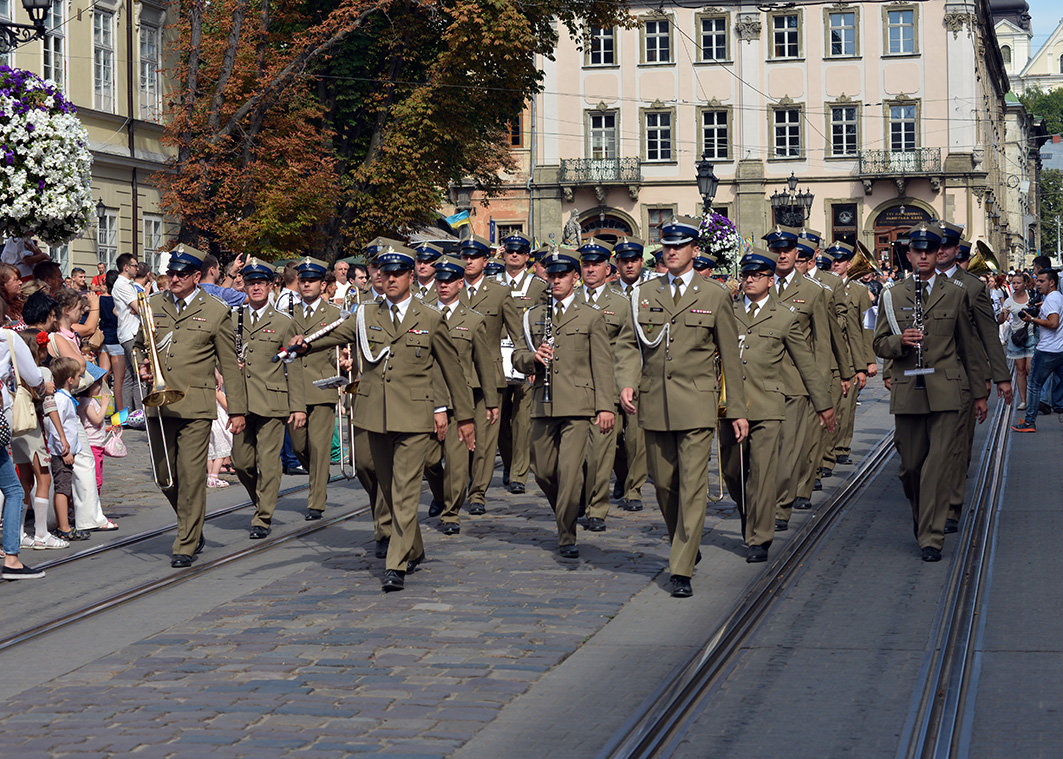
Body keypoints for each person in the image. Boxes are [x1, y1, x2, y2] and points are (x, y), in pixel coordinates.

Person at [298, 245, 476, 592]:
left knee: (405, 488)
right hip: (374, 415)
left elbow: (452, 370)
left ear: (411, 277)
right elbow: (335, 334)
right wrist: (304, 344)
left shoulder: (429, 317)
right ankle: (415, 545)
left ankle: (396, 563)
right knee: (380, 481)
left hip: (414, 416)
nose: (389, 278)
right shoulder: (366, 314)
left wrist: (464, 417)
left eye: (397, 273)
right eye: (384, 272)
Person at [624, 215, 748, 598]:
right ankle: (685, 543)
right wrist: (626, 381)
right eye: (667, 246)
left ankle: (680, 565)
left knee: (693, 485)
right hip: (654, 402)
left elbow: (730, 355)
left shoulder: (714, 295)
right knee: (664, 484)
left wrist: (737, 409)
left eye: (680, 246)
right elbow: (629, 345)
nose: (672, 252)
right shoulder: (644, 293)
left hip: (696, 403)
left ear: (695, 251)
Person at [874, 223, 988, 561]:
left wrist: (980, 391)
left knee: (937, 466)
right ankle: (922, 518)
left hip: (947, 389)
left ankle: (931, 537)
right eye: (917, 250)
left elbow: (969, 346)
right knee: (910, 468)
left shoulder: (955, 292)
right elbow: (879, 342)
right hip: (909, 389)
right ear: (908, 255)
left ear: (938, 253)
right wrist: (899, 341)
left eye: (930, 250)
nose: (924, 255)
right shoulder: (892, 295)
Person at [136, 245, 247, 567]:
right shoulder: (152, 304)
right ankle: (191, 522)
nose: (173, 278)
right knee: (165, 476)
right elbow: (140, 345)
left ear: (196, 276)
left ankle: (186, 539)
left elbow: (229, 362)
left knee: (191, 474)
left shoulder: (215, 309)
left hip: (197, 404)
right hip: (160, 404)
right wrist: (142, 364)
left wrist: (237, 409)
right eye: (170, 273)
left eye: (180, 274)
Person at [722, 248, 834, 563]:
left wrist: (823, 404)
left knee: (761, 473)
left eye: (756, 275)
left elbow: (806, 363)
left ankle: (759, 536)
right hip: (730, 405)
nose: (749, 280)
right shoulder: (727, 312)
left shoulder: (784, 316)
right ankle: (750, 514)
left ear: (770, 280)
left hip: (767, 405)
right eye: (745, 275)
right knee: (733, 472)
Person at [513, 249, 616, 557]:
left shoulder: (590, 315)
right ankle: (570, 504)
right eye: (551, 275)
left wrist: (605, 406)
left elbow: (602, 363)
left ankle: (566, 534)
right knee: (543, 471)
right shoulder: (532, 315)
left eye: (562, 275)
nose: (555, 280)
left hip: (578, 405)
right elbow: (517, 356)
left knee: (570, 471)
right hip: (543, 404)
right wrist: (532, 359)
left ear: (574, 277)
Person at [230, 257, 306, 538]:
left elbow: (294, 365)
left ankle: (263, 517)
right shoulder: (234, 317)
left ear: (271, 287)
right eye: (251, 283)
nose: (256, 288)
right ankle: (261, 500)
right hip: (241, 401)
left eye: (261, 283)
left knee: (269, 461)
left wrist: (298, 406)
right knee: (241, 461)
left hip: (273, 401)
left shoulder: (283, 322)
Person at [761, 225, 832, 527]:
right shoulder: (755, 285)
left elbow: (822, 345)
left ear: (796, 253)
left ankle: (780, 508)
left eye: (787, 250)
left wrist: (821, 394)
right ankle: (760, 503)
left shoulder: (812, 292)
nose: (781, 255)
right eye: (776, 250)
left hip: (794, 384)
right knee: (761, 455)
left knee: (787, 453)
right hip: (759, 382)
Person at [424, 254, 498, 535]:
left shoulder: (474, 320)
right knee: (429, 460)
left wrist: (491, 401)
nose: (442, 286)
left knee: (456, 462)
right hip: (428, 397)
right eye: (438, 281)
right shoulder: (423, 314)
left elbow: (484, 362)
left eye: (448, 281)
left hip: (460, 399)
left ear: (460, 283)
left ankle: (451, 513)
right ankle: (442, 494)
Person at [575, 237, 639, 531]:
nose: (590, 269)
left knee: (602, 453)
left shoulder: (621, 304)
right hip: (573, 389)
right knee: (572, 456)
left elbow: (629, 349)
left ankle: (596, 508)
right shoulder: (568, 300)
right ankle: (577, 496)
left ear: (607, 268)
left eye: (596, 264)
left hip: (607, 388)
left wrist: (628, 383)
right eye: (585, 264)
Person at [459, 234, 521, 514]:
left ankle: (477, 493)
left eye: (474, 257)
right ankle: (455, 489)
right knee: (456, 440)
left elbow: (518, 333)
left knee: (484, 441)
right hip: (456, 375)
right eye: (465, 256)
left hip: (490, 377)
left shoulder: (499, 293)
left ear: (485, 261)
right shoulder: (449, 289)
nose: (469, 261)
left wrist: (526, 363)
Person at [286, 256, 342, 519]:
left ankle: (316, 500)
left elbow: (337, 349)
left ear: (323, 284)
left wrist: (342, 362)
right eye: (303, 280)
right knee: (299, 446)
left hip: (322, 386)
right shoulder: (287, 314)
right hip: (294, 389)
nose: (306, 284)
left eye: (312, 281)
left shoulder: (334, 314)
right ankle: (319, 474)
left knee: (319, 447)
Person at [1, 304, 49, 579]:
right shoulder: (8, 338)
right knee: (15, 490)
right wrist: (42, 388)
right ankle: (12, 559)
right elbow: (33, 376)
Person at [496, 232, 546, 495]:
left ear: (527, 257)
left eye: (520, 251)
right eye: (510, 250)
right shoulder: (493, 283)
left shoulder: (538, 286)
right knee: (501, 417)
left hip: (526, 356)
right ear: (504, 254)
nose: (514, 255)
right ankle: (508, 462)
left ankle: (519, 473)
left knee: (523, 417)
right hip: (498, 357)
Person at [611, 237, 650, 510]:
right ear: (617, 263)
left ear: (641, 261)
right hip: (611, 373)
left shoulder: (651, 292)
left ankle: (634, 488)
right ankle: (622, 475)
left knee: (636, 437)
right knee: (612, 437)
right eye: (624, 260)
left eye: (633, 259)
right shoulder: (608, 293)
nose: (629, 265)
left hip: (643, 373)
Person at [1012, 268, 1063, 433]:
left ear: (1052, 282)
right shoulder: (1057, 297)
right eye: (1037, 280)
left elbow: (1054, 323)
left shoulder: (1052, 300)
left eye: (1041, 281)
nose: (1038, 284)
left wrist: (1032, 318)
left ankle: (1029, 422)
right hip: (1059, 349)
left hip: (1048, 350)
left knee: (1034, 385)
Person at [112, 253, 143, 416]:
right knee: (139, 375)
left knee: (130, 376)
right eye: (134, 265)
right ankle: (140, 414)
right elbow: (140, 308)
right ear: (126, 267)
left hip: (128, 332)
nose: (137, 268)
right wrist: (138, 307)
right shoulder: (122, 284)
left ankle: (127, 414)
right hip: (131, 334)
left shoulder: (127, 284)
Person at [1000, 272, 1036, 409]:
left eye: (1018, 283)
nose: (1015, 285)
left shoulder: (1031, 297)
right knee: (1020, 370)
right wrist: (1004, 314)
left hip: (1031, 335)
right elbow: (1000, 321)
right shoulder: (1009, 301)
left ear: (1025, 284)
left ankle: (1034, 398)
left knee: (1030, 369)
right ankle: (1024, 401)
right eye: (1013, 283)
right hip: (1016, 338)